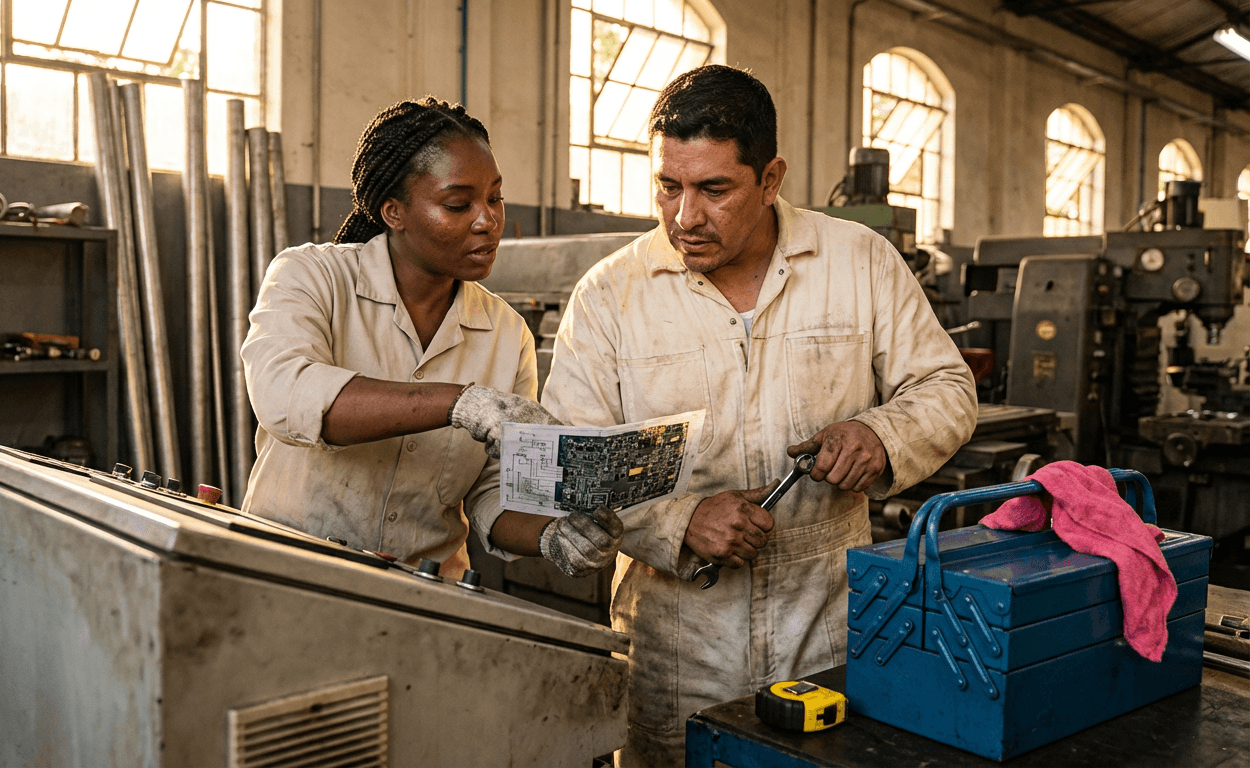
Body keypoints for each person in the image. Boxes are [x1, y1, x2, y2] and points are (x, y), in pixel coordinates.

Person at [541, 66, 978, 765]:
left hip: (828, 625)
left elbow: (946, 386)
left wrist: (880, 433)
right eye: (668, 186)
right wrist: (680, 521)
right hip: (673, 642)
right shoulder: (610, 297)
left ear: (770, 179)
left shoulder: (857, 261)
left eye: (714, 190)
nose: (685, 216)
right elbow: (575, 465)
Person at [241, 97, 622, 581]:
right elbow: (287, 396)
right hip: (289, 574)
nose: (487, 220)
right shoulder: (311, 277)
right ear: (394, 212)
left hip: (423, 595)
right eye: (457, 204)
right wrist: (459, 403)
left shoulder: (505, 334)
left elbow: (492, 492)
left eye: (495, 198)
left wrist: (550, 535)